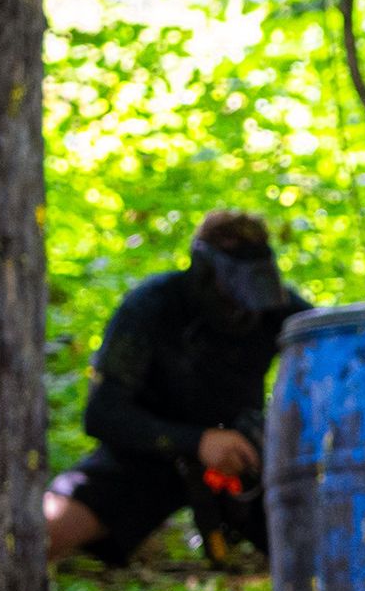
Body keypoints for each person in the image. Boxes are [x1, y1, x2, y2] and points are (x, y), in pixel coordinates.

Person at [46, 211, 309, 566]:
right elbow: (103, 414)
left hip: (241, 459)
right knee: (43, 532)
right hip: (148, 456)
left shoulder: (279, 309)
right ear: (204, 269)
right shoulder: (152, 305)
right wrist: (198, 441)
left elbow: (338, 359)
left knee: (323, 548)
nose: (241, 308)